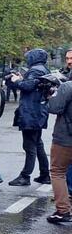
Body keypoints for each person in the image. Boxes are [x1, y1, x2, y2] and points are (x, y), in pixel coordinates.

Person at [6, 48, 51, 186]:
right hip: (38, 112)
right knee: (38, 144)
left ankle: (25, 176)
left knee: (29, 146)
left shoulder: (35, 70)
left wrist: (16, 80)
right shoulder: (43, 69)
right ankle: (44, 174)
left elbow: (28, 86)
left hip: (31, 112)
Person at [44, 74, 72, 224]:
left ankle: (63, 210)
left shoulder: (68, 86)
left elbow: (54, 107)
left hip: (65, 138)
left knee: (57, 171)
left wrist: (52, 94)